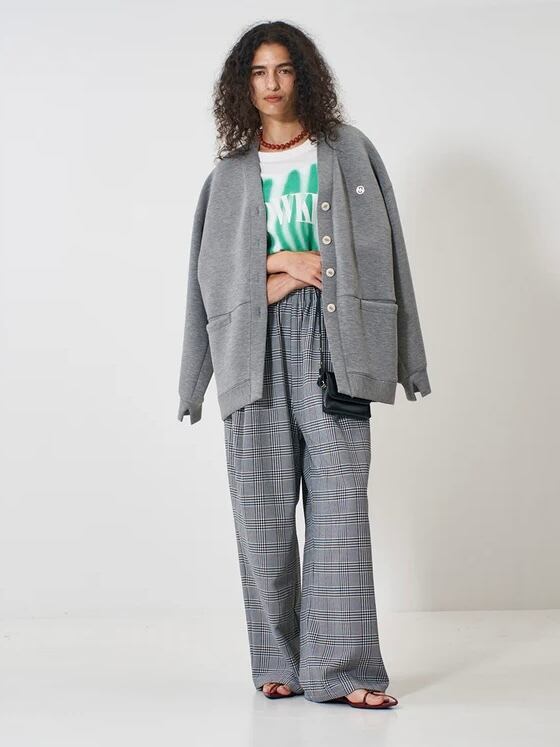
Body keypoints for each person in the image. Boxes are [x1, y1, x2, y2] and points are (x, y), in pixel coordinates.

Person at [178, 20, 432, 709]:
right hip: (252, 346)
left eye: (284, 69)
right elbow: (210, 282)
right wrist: (286, 264)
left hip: (334, 341)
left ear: (304, 76)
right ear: (243, 84)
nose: (272, 83)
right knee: (260, 509)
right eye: (258, 72)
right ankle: (279, 659)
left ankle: (344, 669)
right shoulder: (229, 176)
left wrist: (408, 359)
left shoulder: (347, 152)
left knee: (340, 504)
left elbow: (385, 257)